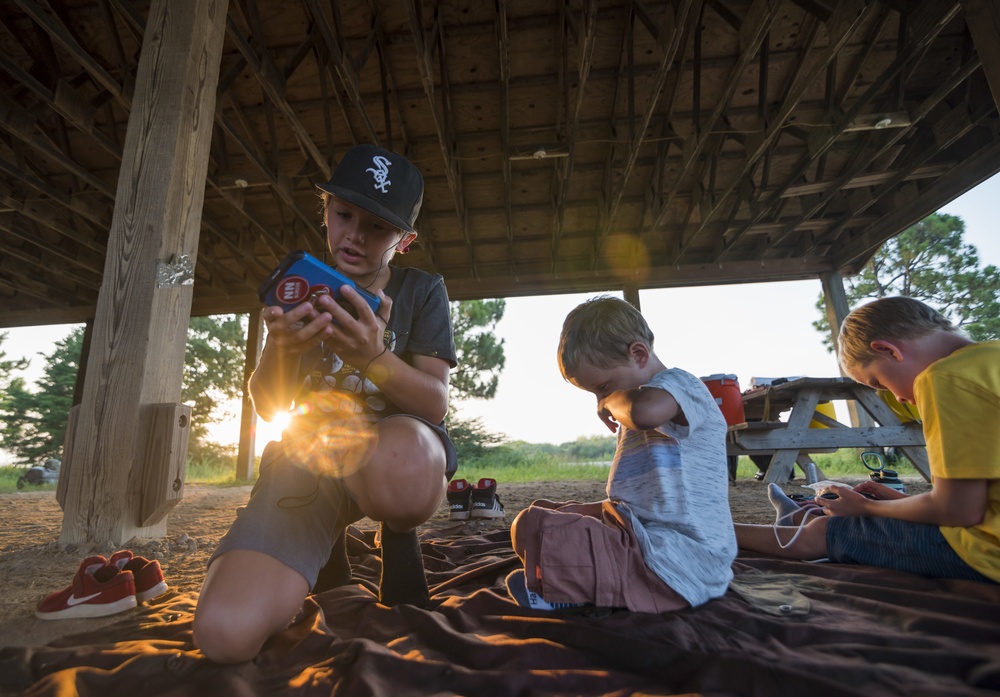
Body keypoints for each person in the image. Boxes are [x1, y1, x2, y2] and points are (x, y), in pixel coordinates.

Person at [193, 144, 458, 663]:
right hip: (309, 458)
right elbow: (271, 407)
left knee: (402, 470)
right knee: (224, 635)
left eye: (378, 226)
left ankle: (398, 542)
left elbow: (434, 404)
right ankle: (326, 541)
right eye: (343, 215)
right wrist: (281, 346)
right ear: (326, 212)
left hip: (391, 459)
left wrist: (374, 356)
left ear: (404, 241)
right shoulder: (298, 284)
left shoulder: (422, 290)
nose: (354, 235)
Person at [735, 296, 1000, 585]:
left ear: (888, 350)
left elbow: (958, 510)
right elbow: (976, 499)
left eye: (878, 383)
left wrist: (867, 508)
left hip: (988, 554)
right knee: (870, 513)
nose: (897, 398)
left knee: (828, 530)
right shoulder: (989, 359)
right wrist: (903, 502)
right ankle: (798, 515)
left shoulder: (943, 378)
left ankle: (723, 530)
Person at [505, 296, 737, 612]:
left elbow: (644, 411)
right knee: (533, 519)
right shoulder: (635, 403)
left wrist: (611, 401)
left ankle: (574, 594)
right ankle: (584, 581)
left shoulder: (681, 385)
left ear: (639, 354)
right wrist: (581, 510)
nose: (602, 400)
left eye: (604, 386)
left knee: (560, 533)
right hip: (639, 535)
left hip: (683, 559)